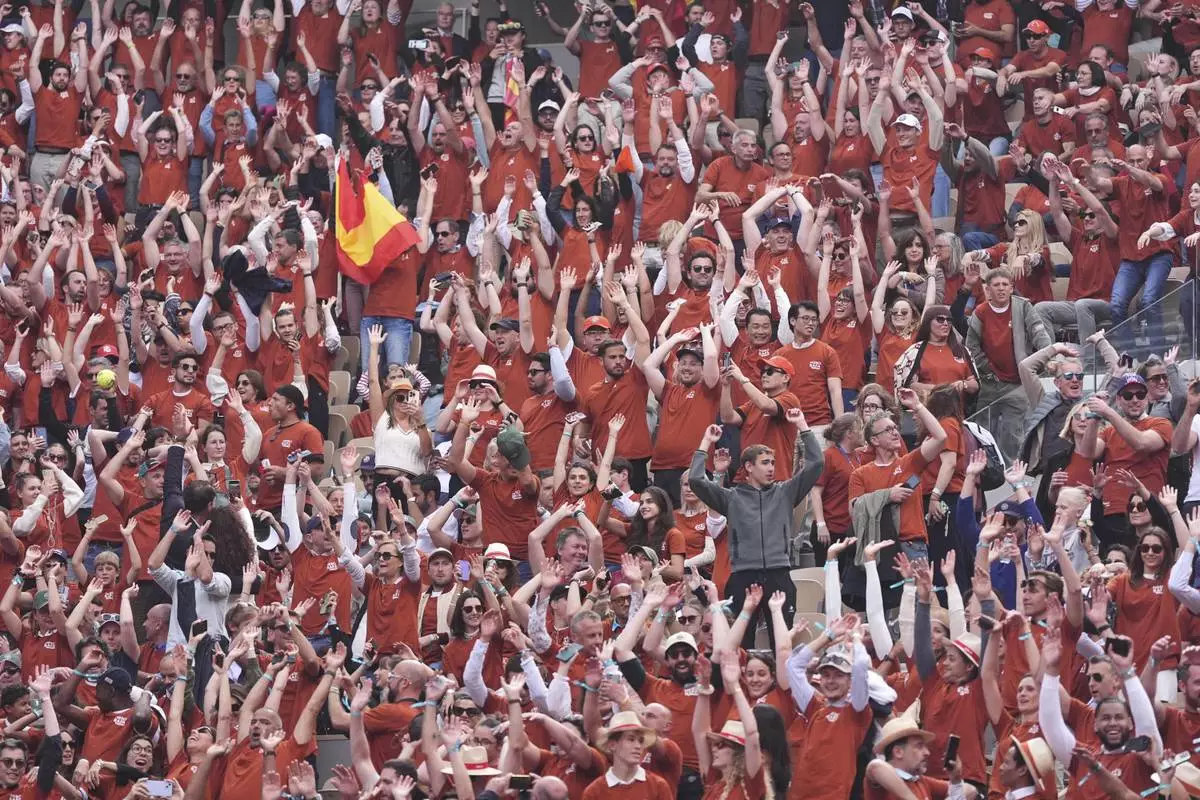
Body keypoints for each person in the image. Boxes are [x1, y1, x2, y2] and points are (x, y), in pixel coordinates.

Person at [689, 411, 822, 648]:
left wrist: (802, 424)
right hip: (743, 577)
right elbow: (696, 480)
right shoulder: (732, 497)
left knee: (782, 644)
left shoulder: (785, 492)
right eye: (765, 463)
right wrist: (706, 442)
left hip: (779, 575)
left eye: (772, 463)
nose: (771, 468)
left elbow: (816, 464)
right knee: (741, 646)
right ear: (748, 467)